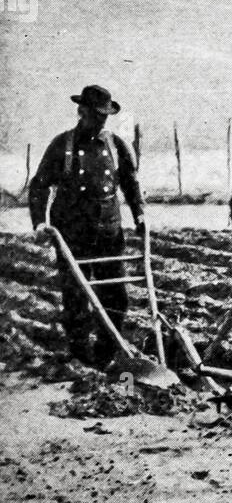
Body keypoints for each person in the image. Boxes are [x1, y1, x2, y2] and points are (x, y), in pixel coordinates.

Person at [29, 85, 146, 368]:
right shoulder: (62, 145)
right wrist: (40, 222)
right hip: (72, 232)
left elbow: (131, 184)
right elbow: (39, 185)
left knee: (116, 295)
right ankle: (80, 356)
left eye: (105, 116)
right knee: (76, 296)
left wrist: (140, 216)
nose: (102, 120)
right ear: (81, 112)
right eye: (96, 115)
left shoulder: (116, 145)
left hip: (109, 230)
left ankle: (108, 353)